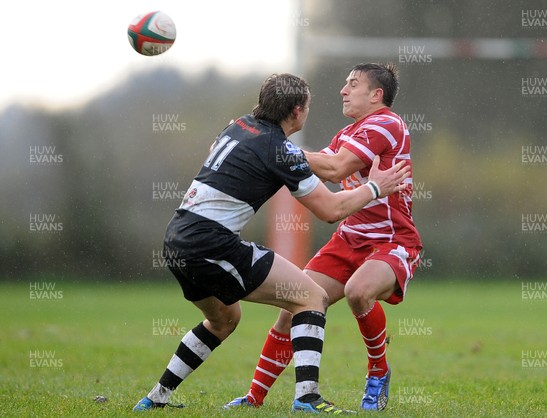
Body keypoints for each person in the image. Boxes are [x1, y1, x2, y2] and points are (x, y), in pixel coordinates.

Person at [132, 72, 411, 414]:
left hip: (176, 240)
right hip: (212, 244)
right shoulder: (280, 149)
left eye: (353, 84)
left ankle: (155, 398)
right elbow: (331, 206)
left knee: (224, 320)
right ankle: (307, 398)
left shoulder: (238, 127)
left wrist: (286, 153)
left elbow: (322, 165)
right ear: (297, 111)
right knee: (311, 297)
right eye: (308, 106)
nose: (343, 89)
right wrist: (375, 187)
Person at [225, 63, 422, 412]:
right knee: (294, 305)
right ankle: (254, 399)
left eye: (353, 84)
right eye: (344, 83)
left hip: (391, 241)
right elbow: (325, 168)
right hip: (348, 239)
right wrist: (271, 155)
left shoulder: (386, 123)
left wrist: (270, 148)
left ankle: (378, 371)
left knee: (358, 292)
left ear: (377, 95)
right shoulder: (350, 132)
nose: (343, 90)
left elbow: (334, 168)